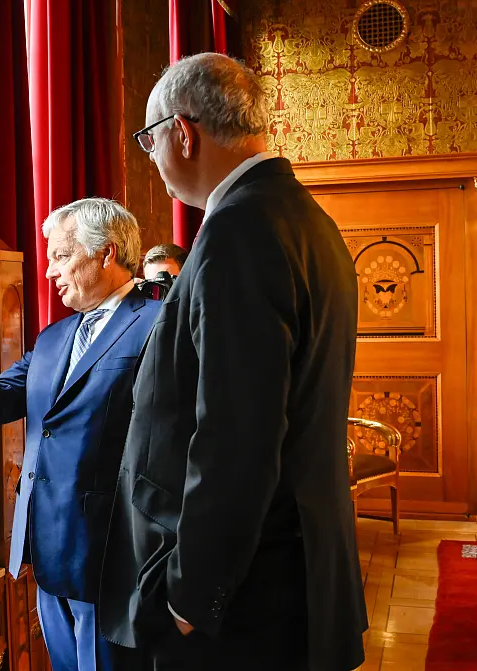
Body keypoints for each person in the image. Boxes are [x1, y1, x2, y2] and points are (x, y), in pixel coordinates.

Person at [98, 53, 367, 671]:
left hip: (247, 602)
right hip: (294, 568)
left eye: (149, 140)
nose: (154, 159)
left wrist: (194, 593)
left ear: (182, 132)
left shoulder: (237, 230)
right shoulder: (304, 219)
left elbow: (237, 435)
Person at [0, 198, 159, 671]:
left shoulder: (157, 326)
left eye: (61, 255)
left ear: (106, 253)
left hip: (117, 557)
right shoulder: (54, 337)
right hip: (47, 551)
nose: (49, 271)